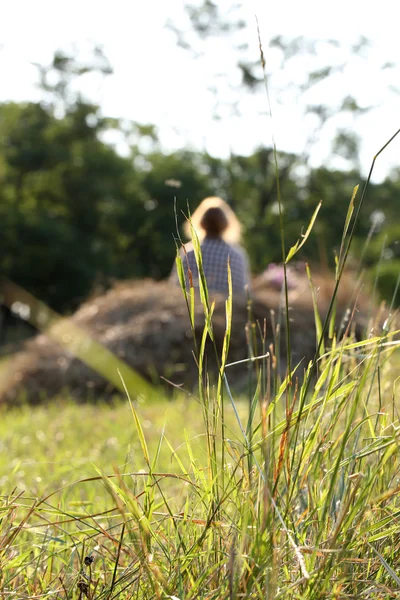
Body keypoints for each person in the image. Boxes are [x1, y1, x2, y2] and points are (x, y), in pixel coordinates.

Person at [171, 196, 251, 299]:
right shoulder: (237, 255)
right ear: (226, 224)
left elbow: (175, 287)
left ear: (201, 222)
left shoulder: (188, 252)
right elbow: (244, 292)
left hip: (192, 312)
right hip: (229, 313)